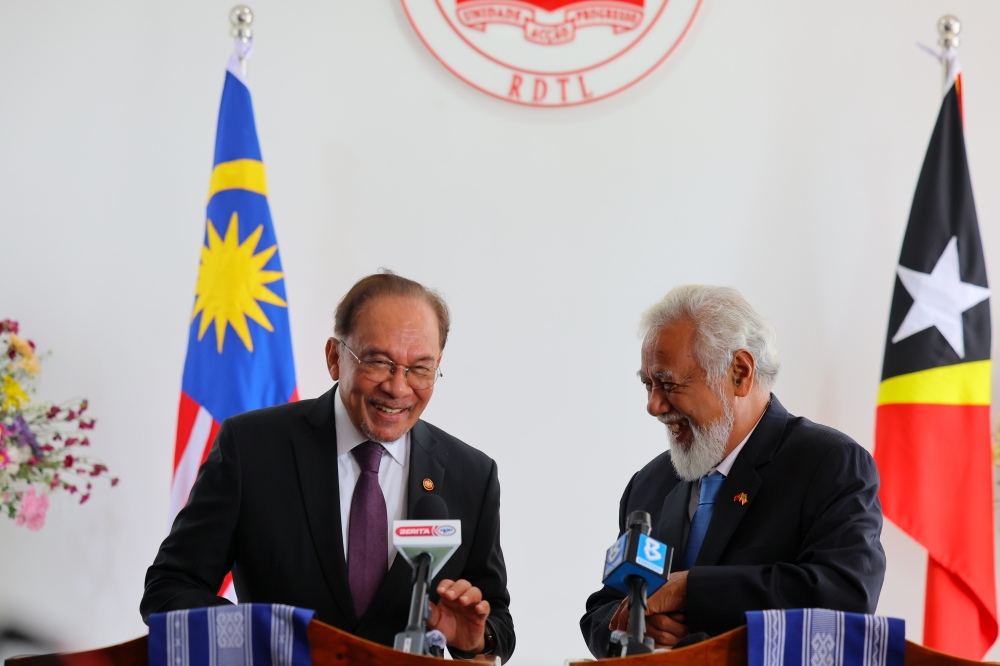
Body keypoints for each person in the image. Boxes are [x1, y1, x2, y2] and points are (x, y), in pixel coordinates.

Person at [142, 271, 514, 662]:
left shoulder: (473, 476)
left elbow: (499, 623)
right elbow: (170, 588)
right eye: (378, 362)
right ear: (335, 358)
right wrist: (258, 638)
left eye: (419, 368)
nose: (398, 387)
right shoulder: (251, 448)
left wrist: (476, 638)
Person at [580, 285, 885, 656]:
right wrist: (633, 625)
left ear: (739, 372)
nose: (654, 406)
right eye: (647, 384)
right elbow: (604, 607)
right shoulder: (649, 484)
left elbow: (845, 595)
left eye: (668, 383)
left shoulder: (829, 463)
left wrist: (692, 590)